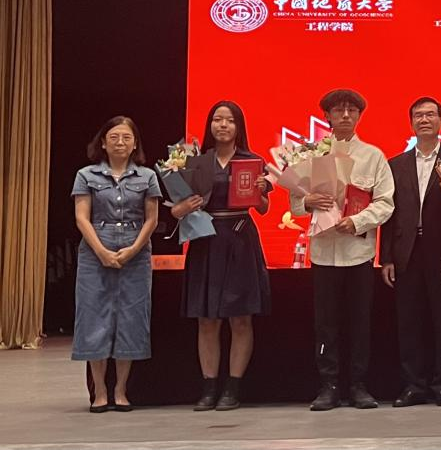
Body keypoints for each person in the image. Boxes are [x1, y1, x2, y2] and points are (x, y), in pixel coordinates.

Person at [292, 89, 395, 411]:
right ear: (327, 116)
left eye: (352, 110)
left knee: (359, 322)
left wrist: (358, 221)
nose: (345, 115)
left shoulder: (373, 156)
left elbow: (386, 202)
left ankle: (358, 385)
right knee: (326, 324)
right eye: (338, 110)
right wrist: (306, 201)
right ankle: (329, 385)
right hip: (324, 252)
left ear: (360, 116)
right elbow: (295, 203)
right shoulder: (311, 154)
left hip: (358, 252)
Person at [170, 101, 272, 411]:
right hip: (206, 240)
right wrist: (183, 207)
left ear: (239, 127)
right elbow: (176, 210)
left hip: (240, 240)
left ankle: (232, 388)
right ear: (210, 125)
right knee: (207, 320)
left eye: (229, 120)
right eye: (217, 119)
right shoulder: (195, 161)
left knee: (240, 319)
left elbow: (263, 208)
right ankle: (208, 387)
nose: (223, 125)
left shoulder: (252, 161)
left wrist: (261, 190)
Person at [72, 116, 161, 412]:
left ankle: (121, 389)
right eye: (114, 137)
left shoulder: (147, 176)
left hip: (136, 252)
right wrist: (101, 251)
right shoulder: (86, 175)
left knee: (131, 318)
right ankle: (99, 391)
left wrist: (134, 249)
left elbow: (152, 219)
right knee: (93, 317)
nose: (120, 142)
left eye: (126, 137)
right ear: (103, 142)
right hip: (94, 251)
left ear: (135, 144)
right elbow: (81, 217)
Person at [380, 97, 441, 407]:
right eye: (418, 115)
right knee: (409, 321)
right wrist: (386, 257)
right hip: (406, 252)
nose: (424, 120)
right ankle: (413, 385)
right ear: (411, 122)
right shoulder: (395, 165)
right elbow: (388, 214)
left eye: (430, 114)